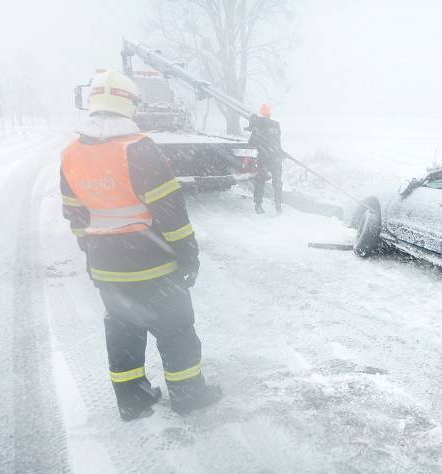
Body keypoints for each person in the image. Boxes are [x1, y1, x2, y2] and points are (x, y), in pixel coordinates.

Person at [60, 70, 221, 421]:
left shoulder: (71, 153)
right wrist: (188, 256)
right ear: (129, 104)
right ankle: (188, 394)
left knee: (122, 330)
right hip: (153, 263)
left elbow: (74, 215)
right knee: (176, 329)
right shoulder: (139, 150)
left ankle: (132, 398)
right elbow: (171, 214)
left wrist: (91, 252)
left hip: (107, 266)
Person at [246, 103, 283, 214]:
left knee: (260, 181)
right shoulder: (276, 124)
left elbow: (251, 144)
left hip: (264, 157)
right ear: (269, 113)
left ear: (261, 113)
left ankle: (258, 205)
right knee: (277, 181)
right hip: (276, 156)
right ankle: (278, 206)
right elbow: (278, 141)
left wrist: (254, 128)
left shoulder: (258, 125)